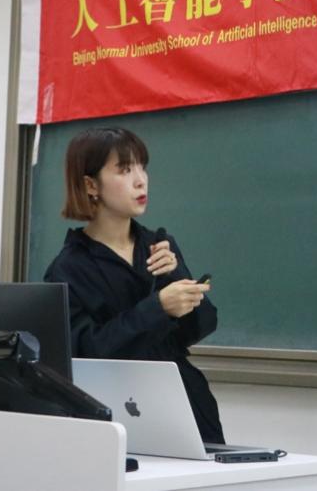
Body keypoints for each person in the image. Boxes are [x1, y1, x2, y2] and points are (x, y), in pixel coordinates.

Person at [43, 127, 225, 444]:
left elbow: (201, 327)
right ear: (91, 185)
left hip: (186, 404)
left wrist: (177, 276)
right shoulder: (68, 268)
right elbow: (88, 354)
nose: (141, 180)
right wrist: (159, 307)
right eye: (125, 170)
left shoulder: (159, 244)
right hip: (120, 412)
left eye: (142, 167)